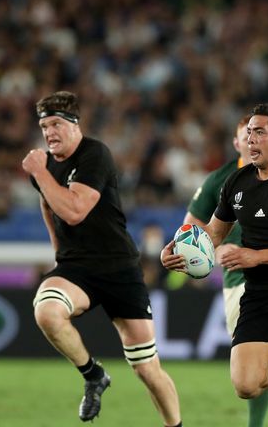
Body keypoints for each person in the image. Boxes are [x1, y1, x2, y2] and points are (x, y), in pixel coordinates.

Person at [163, 103, 268, 427]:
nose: (250, 139)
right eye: (249, 132)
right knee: (246, 385)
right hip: (258, 295)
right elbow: (213, 233)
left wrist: (256, 256)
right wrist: (180, 251)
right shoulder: (235, 183)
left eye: (259, 132)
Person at [22, 91, 183, 426]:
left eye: (55, 124)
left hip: (119, 267)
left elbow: (75, 210)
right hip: (77, 267)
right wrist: (57, 251)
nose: (49, 132)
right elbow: (48, 204)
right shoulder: (45, 166)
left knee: (147, 369)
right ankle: (94, 375)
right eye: (43, 126)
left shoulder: (94, 155)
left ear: (74, 125)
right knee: (47, 312)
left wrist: (39, 172)